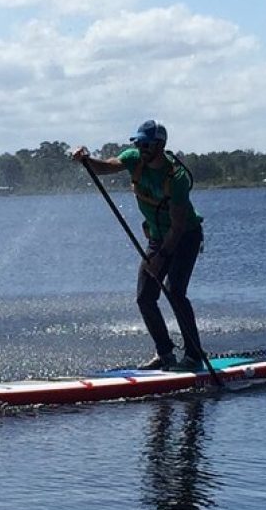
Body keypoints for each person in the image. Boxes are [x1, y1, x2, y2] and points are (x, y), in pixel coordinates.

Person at [72, 120, 205, 371]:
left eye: (146, 143)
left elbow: (177, 228)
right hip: (157, 236)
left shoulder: (176, 177)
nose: (141, 147)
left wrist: (160, 256)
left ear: (160, 145)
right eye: (138, 143)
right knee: (145, 297)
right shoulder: (133, 158)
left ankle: (194, 356)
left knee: (175, 292)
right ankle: (165, 355)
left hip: (185, 236)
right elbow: (107, 166)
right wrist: (86, 159)